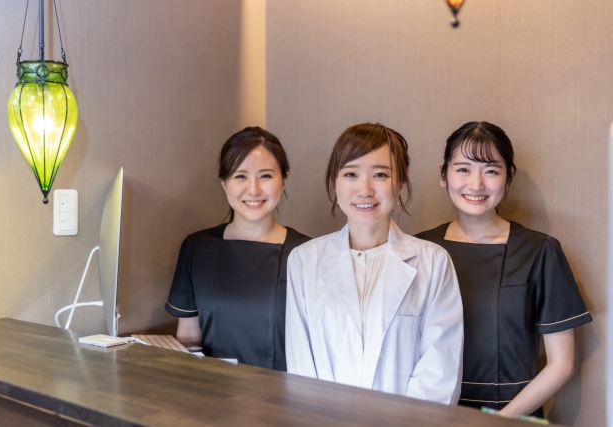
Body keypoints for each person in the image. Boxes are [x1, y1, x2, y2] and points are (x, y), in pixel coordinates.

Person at [416, 121, 592, 417]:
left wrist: (500, 421)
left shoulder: (539, 251)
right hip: (431, 414)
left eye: (491, 171)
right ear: (443, 174)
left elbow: (561, 364)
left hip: (515, 415)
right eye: (463, 169)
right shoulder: (419, 250)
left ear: (509, 178)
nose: (476, 184)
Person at [285, 122, 464, 404]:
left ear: (400, 183)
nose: (365, 190)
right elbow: (301, 368)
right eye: (351, 174)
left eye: (380, 174)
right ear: (335, 182)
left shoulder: (433, 263)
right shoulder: (304, 260)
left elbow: (440, 372)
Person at [165, 126, 310, 371]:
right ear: (224, 183)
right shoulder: (196, 249)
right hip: (212, 388)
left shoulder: (307, 252)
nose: (253, 189)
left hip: (286, 391)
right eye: (240, 176)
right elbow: (188, 339)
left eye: (265, 176)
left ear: (284, 179)